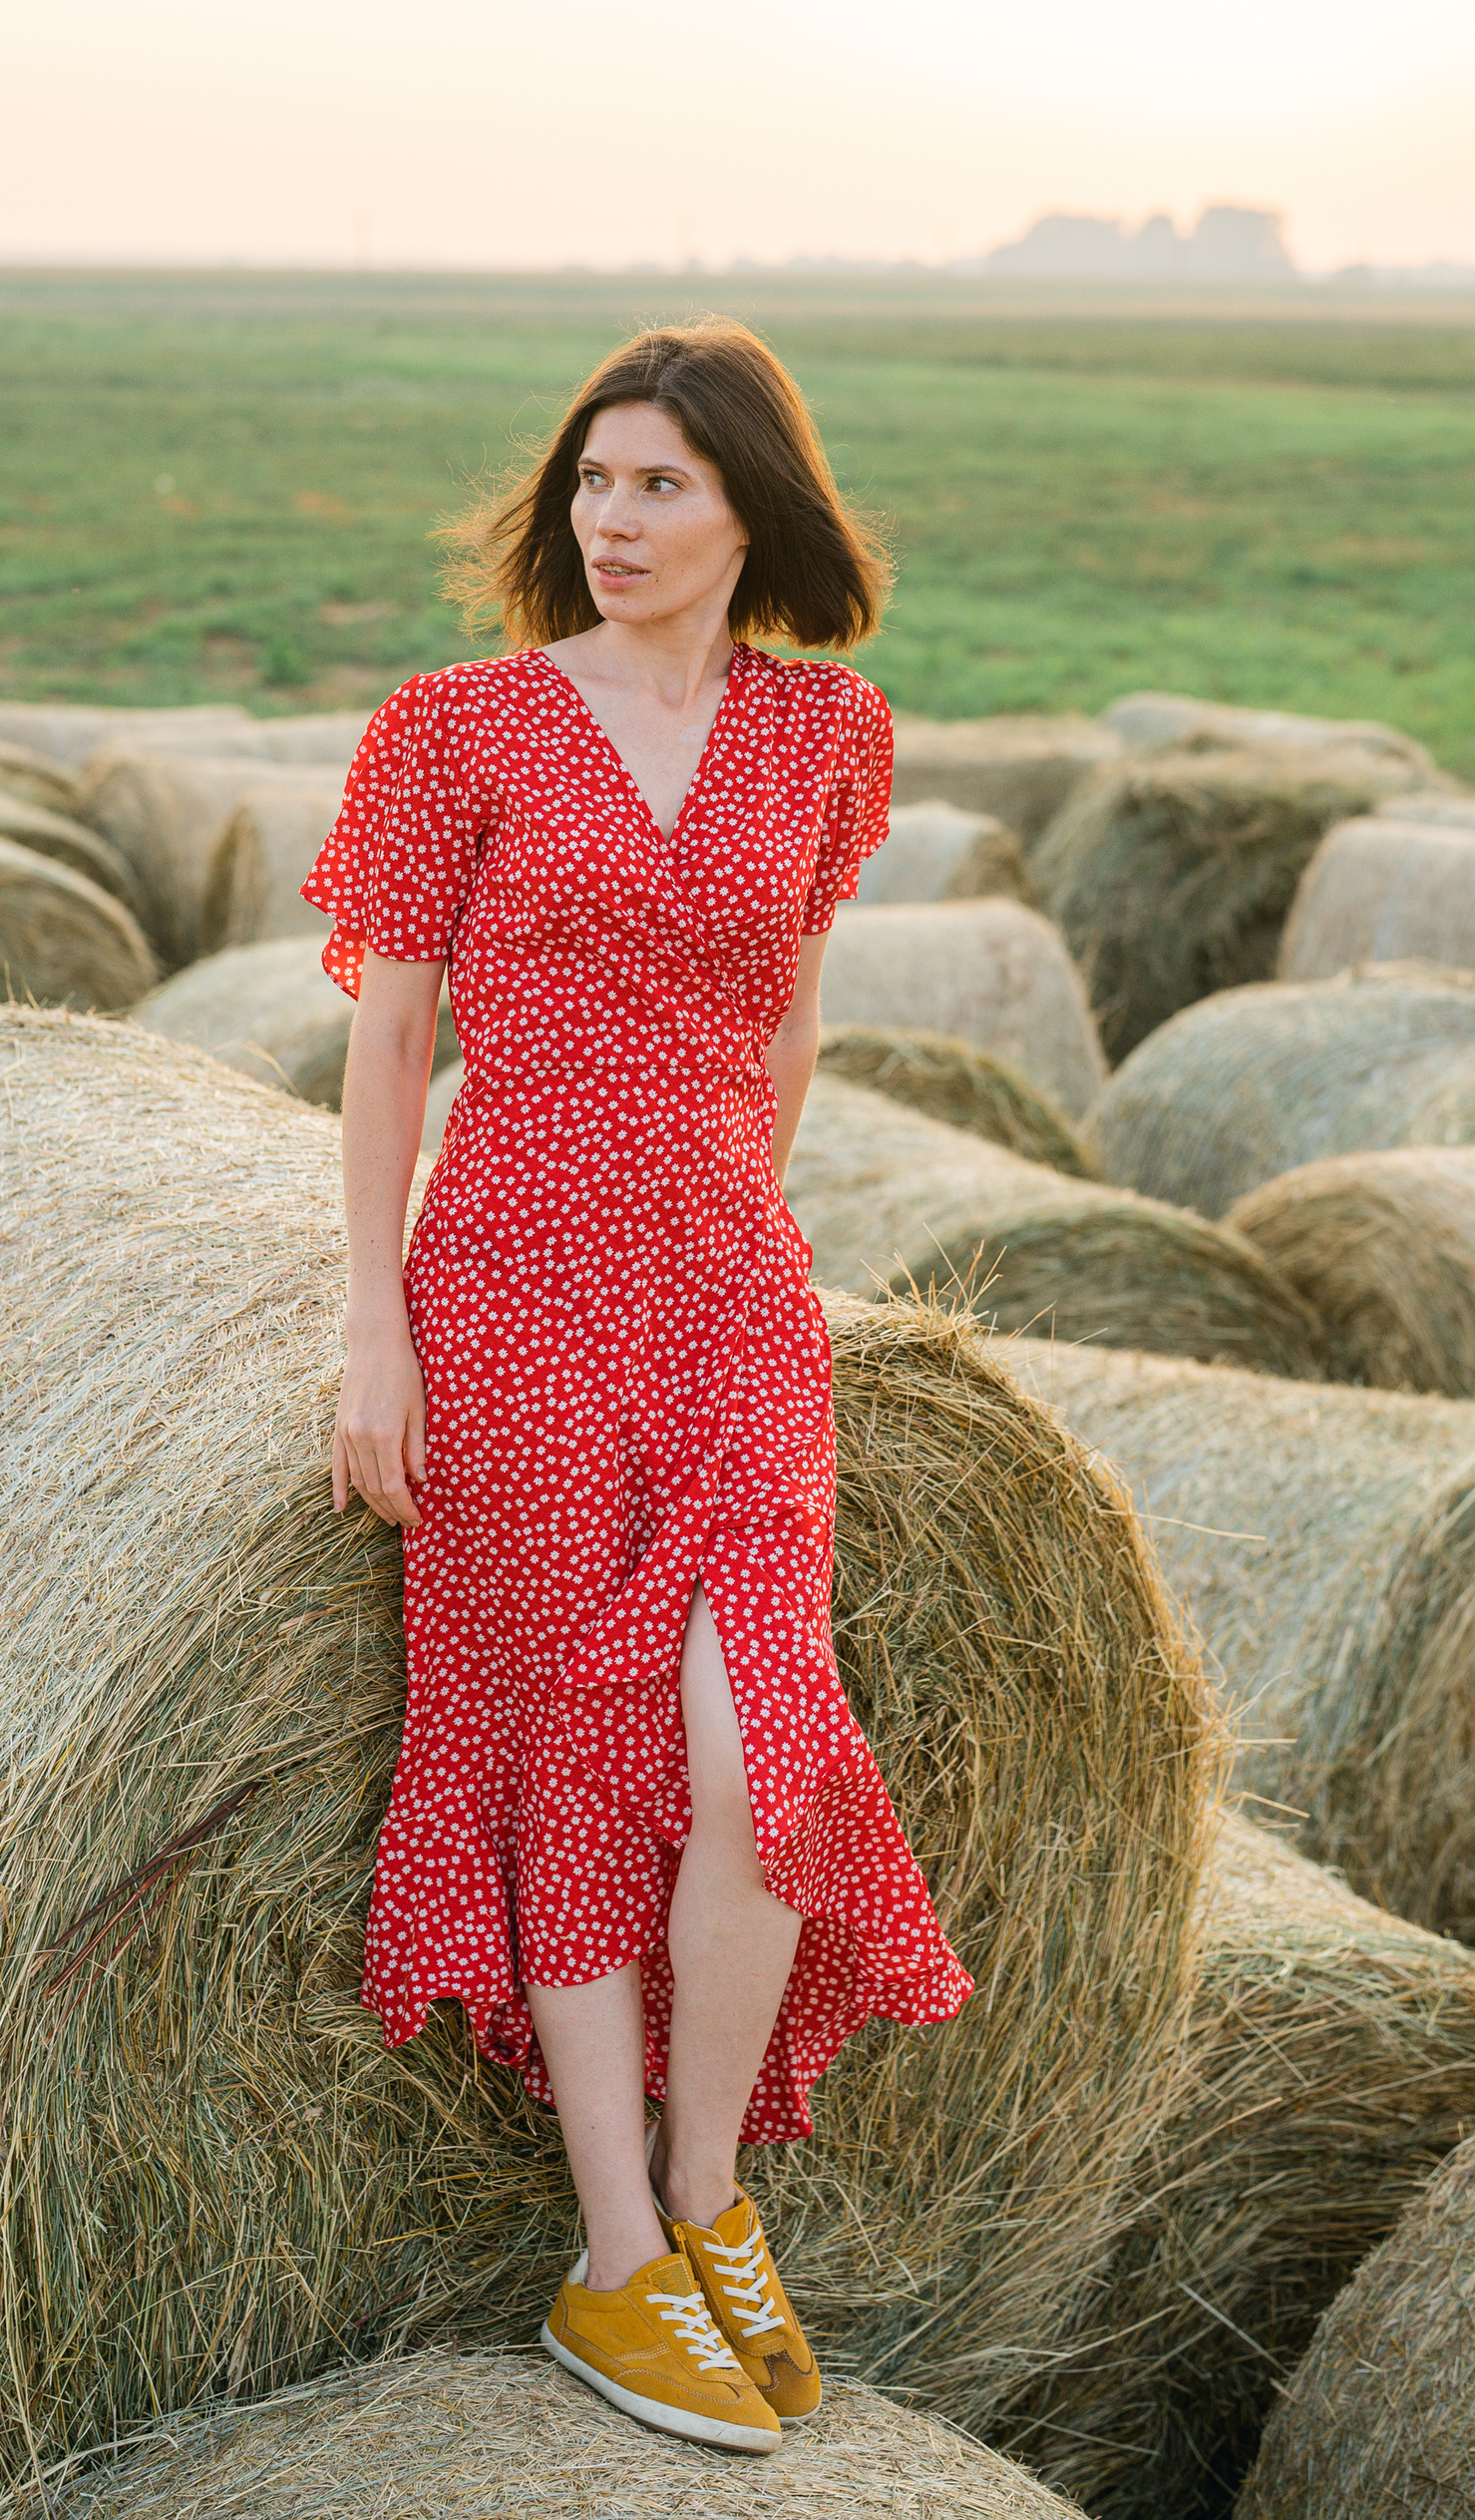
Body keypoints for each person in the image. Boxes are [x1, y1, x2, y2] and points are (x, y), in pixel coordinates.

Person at [303, 318, 971, 2457]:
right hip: (504, 1287)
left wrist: (730, 1236)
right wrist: (370, 1323)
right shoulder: (459, 728)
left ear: (750, 509)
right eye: (593, 483)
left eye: (661, 486)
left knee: (760, 1749)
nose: (613, 519)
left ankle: (709, 2193)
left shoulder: (830, 735)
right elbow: (390, 1042)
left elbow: (783, 1015)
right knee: (555, 1749)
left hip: (730, 1297)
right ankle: (617, 2257)